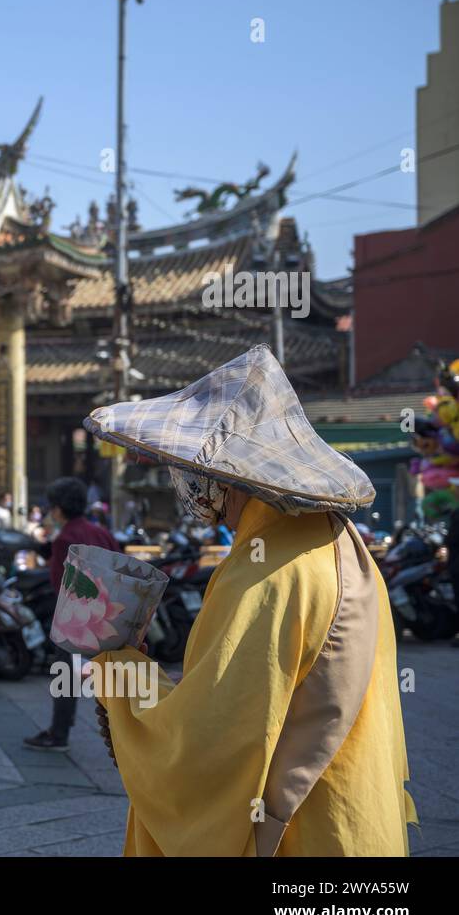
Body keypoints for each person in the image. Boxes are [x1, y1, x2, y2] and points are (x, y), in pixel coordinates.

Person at [86, 344, 414, 855]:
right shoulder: (332, 539)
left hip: (294, 836)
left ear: (229, 475)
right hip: (349, 819)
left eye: (189, 466)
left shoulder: (265, 573)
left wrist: (120, 674)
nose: (183, 481)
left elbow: (207, 744)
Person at [22, 477, 119, 752]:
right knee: (111, 675)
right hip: (109, 616)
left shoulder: (65, 538)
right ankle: (126, 733)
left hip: (76, 622)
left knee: (65, 675)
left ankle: (59, 733)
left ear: (58, 509)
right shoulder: (101, 532)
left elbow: (60, 584)